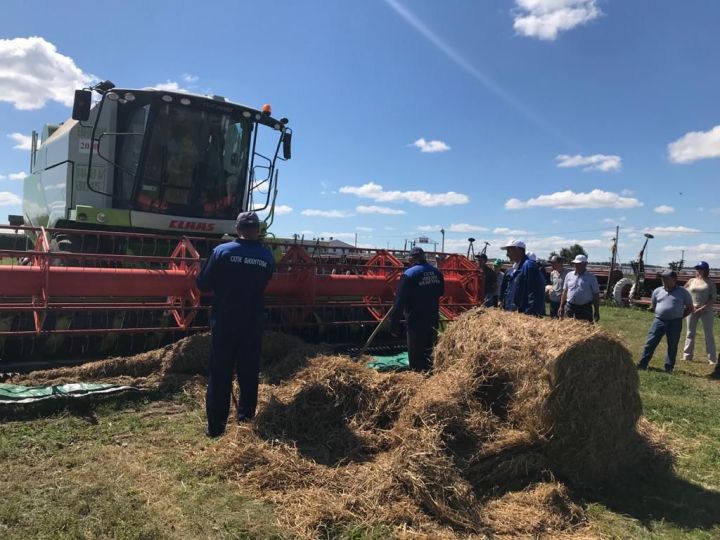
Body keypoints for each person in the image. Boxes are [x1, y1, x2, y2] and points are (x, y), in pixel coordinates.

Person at [196, 211, 275, 437]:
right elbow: (266, 281)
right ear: (258, 230)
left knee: (220, 372)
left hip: (224, 321)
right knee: (249, 373)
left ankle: (216, 428)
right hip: (252, 322)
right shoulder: (266, 256)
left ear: (237, 229)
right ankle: (245, 422)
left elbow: (203, 284)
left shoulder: (222, 252)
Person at [390, 247, 445, 371]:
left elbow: (399, 301)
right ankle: (431, 375)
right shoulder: (437, 272)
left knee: (416, 352)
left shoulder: (409, 274)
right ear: (424, 257)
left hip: (416, 319)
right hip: (433, 317)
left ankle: (418, 376)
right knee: (430, 349)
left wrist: (394, 324)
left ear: (411, 259)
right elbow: (441, 292)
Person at [637, 270, 694, 373]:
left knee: (672, 345)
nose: (664, 280)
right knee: (650, 342)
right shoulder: (657, 291)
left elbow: (690, 308)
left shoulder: (683, 292)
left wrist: (680, 316)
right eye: (663, 278)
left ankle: (669, 367)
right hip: (659, 321)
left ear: (674, 279)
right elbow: (654, 305)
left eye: (667, 278)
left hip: (675, 322)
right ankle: (642, 364)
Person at [683, 261, 717, 364]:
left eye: (701, 268)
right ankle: (687, 356)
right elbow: (684, 292)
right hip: (692, 309)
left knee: (708, 334)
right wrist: (688, 305)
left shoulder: (710, 283)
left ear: (706, 270)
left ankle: (712, 359)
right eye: (698, 268)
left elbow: (713, 298)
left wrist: (703, 307)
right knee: (690, 333)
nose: (699, 270)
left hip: (706, 310)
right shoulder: (691, 280)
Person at [500, 240, 545, 316]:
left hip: (523, 315)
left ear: (517, 250)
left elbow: (534, 294)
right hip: (514, 313)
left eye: (509, 251)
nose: (507, 254)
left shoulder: (529, 266)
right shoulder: (518, 267)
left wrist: (529, 314)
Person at [559, 255, 600, 323]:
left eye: (579, 264)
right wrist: (561, 306)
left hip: (585, 309)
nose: (576, 266)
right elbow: (565, 291)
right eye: (575, 264)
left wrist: (596, 311)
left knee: (585, 330)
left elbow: (596, 295)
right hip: (570, 307)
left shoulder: (591, 277)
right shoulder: (569, 275)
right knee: (568, 328)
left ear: (585, 264)